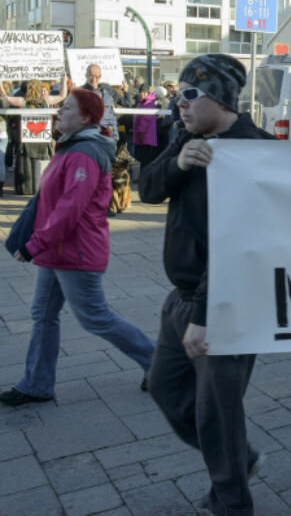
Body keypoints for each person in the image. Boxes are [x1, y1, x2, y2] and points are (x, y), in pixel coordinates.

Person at [139, 54, 274, 516]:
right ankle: (238, 458)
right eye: (178, 94)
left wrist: (204, 316)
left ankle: (231, 501)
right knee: (164, 387)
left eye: (190, 94)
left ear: (219, 96)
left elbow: (241, 244)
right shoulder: (187, 137)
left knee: (218, 413)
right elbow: (148, 190)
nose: (180, 103)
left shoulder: (253, 150)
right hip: (181, 295)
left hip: (225, 301)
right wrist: (178, 163)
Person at [0, 89, 155, 407]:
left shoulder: (84, 151)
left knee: (95, 317)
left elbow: (70, 208)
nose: (59, 112)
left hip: (77, 250)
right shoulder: (71, 146)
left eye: (67, 108)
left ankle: (161, 365)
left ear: (86, 117)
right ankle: (36, 385)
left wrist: (33, 245)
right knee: (42, 315)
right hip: (58, 249)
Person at [10, 78, 67, 195]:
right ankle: (43, 186)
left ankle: (26, 188)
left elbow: (5, 98)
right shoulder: (46, 100)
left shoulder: (22, 101)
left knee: (27, 162)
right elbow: (62, 95)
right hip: (42, 139)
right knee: (43, 163)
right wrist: (64, 81)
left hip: (27, 139)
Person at [81, 64, 119, 141]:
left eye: (97, 76)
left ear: (100, 76)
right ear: (86, 76)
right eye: (91, 76)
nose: (94, 79)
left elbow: (111, 116)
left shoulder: (106, 93)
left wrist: (115, 136)